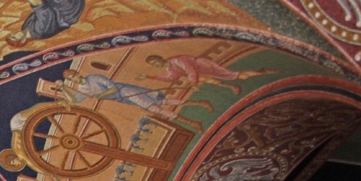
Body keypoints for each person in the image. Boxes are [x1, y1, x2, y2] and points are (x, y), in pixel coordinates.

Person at [59, 69, 206, 129]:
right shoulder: (82, 89)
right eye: (71, 80)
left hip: (126, 91)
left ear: (77, 74)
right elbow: (74, 100)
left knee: (155, 107)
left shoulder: (94, 78)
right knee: (161, 102)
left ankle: (192, 122)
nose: (74, 80)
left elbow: (113, 88)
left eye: (73, 76)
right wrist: (63, 88)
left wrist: (100, 96)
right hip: (122, 98)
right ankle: (199, 103)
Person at [141, 53, 272, 94]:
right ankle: (232, 86)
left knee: (238, 76)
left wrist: (194, 83)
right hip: (200, 73)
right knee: (207, 80)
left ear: (160, 58)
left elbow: (190, 70)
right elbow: (170, 78)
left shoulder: (177, 60)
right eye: (153, 65)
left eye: (155, 62)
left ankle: (262, 71)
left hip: (205, 66)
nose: (156, 65)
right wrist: (149, 77)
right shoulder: (169, 69)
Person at [8, 0, 85, 44]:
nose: (14, 34)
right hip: (66, 10)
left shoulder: (25, 27)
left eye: (11, 35)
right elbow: (42, 8)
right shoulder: (39, 31)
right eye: (14, 37)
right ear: (23, 40)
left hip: (54, 6)